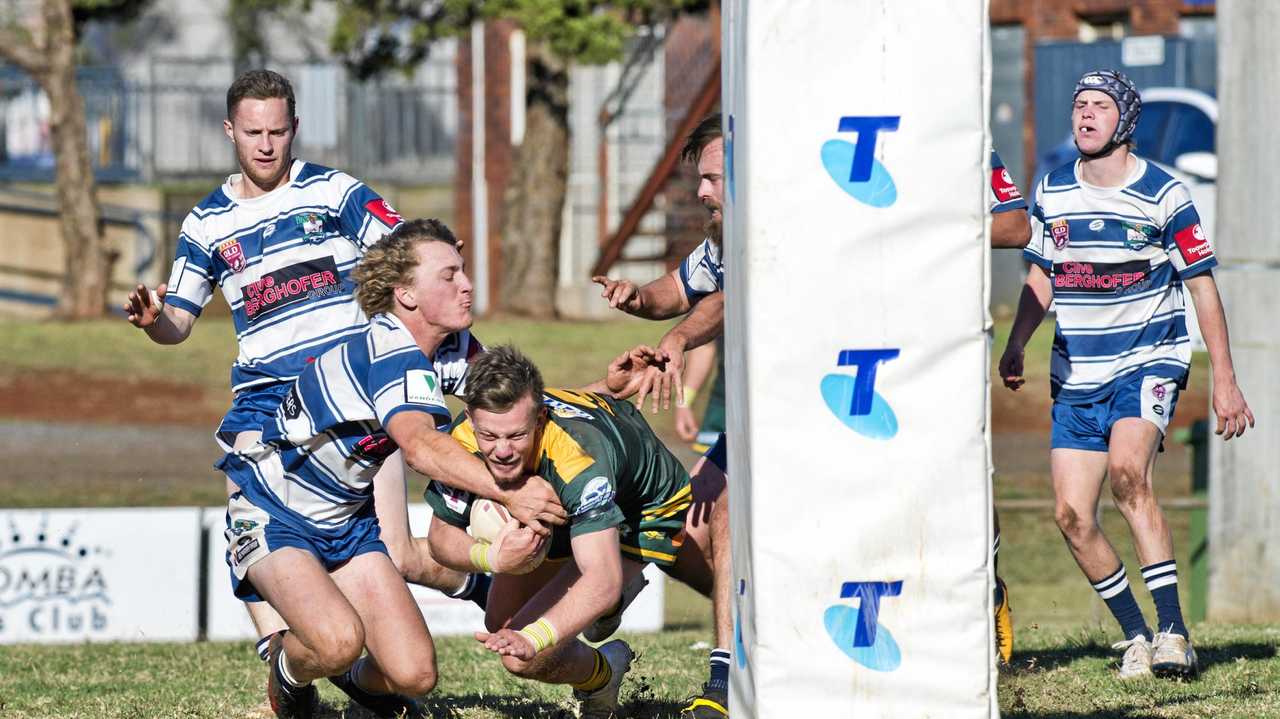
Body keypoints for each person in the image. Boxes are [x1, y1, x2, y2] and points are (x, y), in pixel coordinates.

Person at [123, 70, 553, 659]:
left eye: (278, 130)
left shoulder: (337, 194)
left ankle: (487, 589)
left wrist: (444, 283)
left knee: (400, 554)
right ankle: (287, 664)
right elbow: (178, 322)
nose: (267, 145)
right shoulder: (206, 223)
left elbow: (411, 255)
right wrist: (155, 322)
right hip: (267, 400)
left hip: (359, 400)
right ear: (230, 131)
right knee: (253, 504)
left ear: (295, 128)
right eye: (253, 132)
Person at [219, 219, 592, 718]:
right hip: (272, 511)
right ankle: (288, 681)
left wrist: (608, 392)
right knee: (337, 641)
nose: (467, 284)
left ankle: (352, 688)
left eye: (463, 271)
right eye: (449, 275)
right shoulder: (390, 351)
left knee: (415, 673)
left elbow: (523, 405)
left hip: (347, 524)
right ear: (407, 295)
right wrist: (510, 494)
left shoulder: (449, 348)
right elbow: (419, 447)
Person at [999, 69, 1254, 680]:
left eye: (1098, 107)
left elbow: (1202, 288)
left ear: (1126, 122)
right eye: (1078, 104)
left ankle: (1173, 632)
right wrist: (1016, 343)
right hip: (1077, 371)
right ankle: (1136, 636)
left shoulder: (1165, 193)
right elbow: (1042, 276)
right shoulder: (1053, 189)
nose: (1084, 115)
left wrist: (1223, 378)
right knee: (1071, 515)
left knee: (1127, 473)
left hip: (1148, 360)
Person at [421, 345, 728, 719]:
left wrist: (533, 638)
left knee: (525, 653)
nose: (501, 451)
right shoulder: (465, 438)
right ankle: (604, 675)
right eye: (490, 436)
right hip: (565, 494)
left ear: (539, 419)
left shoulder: (579, 461)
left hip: (643, 507)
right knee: (499, 621)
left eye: (516, 436)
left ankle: (618, 579)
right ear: (470, 418)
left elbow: (600, 580)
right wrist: (492, 557)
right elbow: (440, 537)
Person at [591, 113, 732, 718]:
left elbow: (726, 301)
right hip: (753, 423)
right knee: (683, 523)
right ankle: (753, 629)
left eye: (713, 179)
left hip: (815, 417)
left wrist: (678, 341)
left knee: (721, 515)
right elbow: (680, 289)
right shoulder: (722, 241)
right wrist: (637, 298)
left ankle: (727, 682)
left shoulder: (778, 232)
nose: (702, 193)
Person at [988, 146, 1032, 666]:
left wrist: (927, 231)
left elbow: (1016, 225)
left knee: (965, 473)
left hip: (946, 339)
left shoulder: (967, 140)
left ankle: (989, 590)